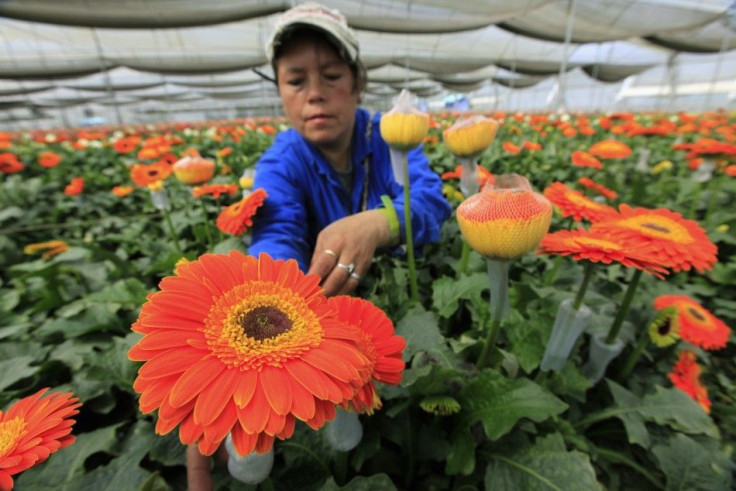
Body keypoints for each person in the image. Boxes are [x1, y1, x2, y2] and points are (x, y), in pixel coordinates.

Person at [187, 3, 450, 488]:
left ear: (357, 82)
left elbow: (433, 201)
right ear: (280, 94)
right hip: (315, 313)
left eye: (330, 75)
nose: (315, 95)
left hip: (400, 303)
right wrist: (279, 312)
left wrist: (380, 222)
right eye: (295, 81)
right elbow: (274, 238)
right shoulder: (281, 162)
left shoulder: (391, 136)